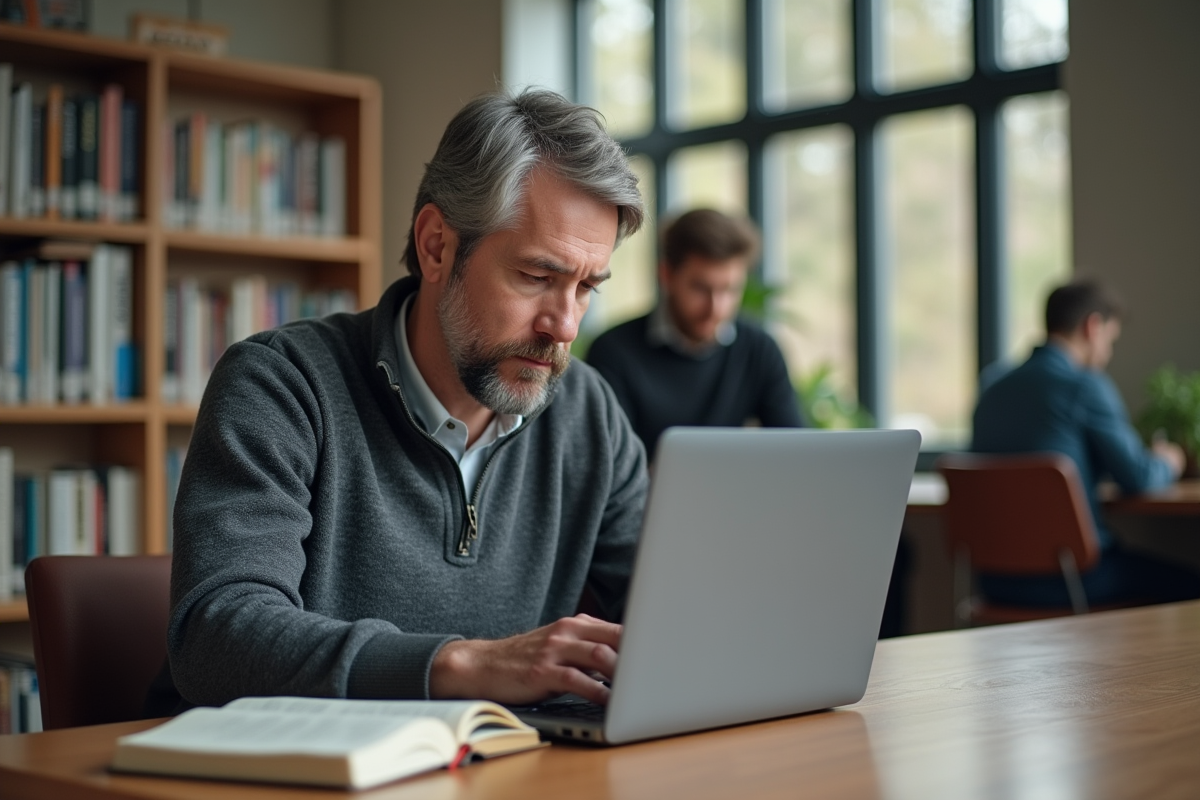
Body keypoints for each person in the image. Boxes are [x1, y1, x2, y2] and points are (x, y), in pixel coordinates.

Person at [150, 89, 650, 715]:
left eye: (585, 288)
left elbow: (675, 616)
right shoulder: (281, 385)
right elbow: (216, 637)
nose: (565, 325)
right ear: (437, 245)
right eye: (536, 277)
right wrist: (468, 665)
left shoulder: (587, 416)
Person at [971, 279, 1200, 607]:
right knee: (1190, 584)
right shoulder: (1084, 385)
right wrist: (1170, 459)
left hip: (993, 580)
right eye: (1111, 339)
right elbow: (1138, 477)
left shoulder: (991, 388)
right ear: (1093, 327)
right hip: (1072, 579)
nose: (1108, 353)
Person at [586, 208, 804, 456]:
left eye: (730, 289)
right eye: (701, 288)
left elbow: (797, 453)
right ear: (667, 275)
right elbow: (610, 466)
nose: (717, 308)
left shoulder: (759, 350)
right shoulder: (614, 351)